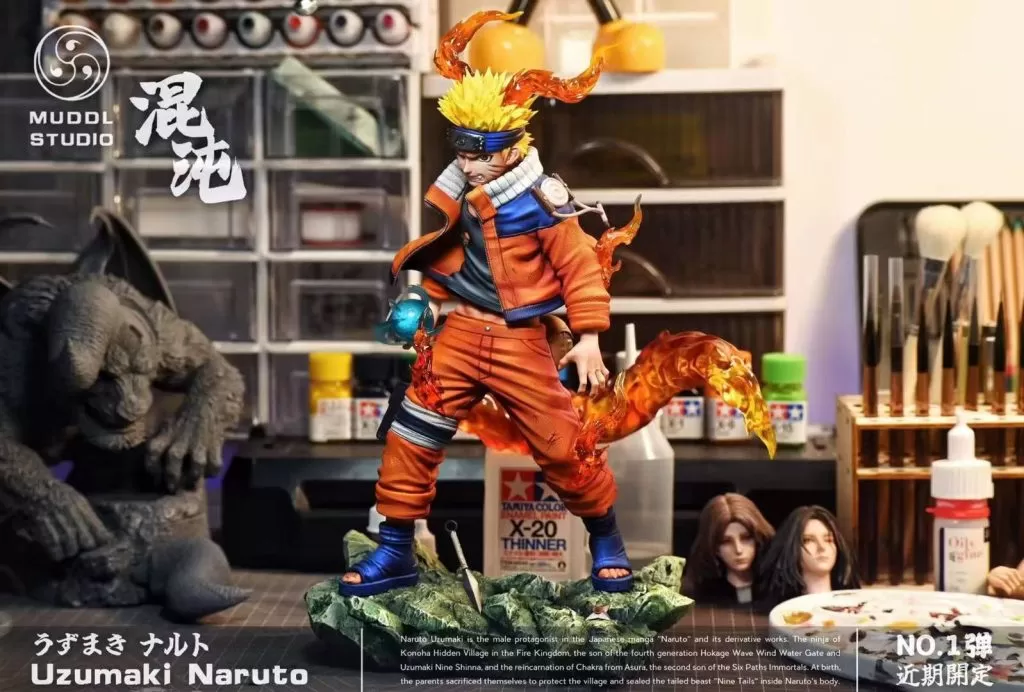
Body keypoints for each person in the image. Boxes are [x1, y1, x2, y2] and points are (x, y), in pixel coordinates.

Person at [338, 10, 633, 597]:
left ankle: (607, 541)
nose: (468, 164)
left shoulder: (543, 200)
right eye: (463, 151)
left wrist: (589, 337)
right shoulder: (462, 190)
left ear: (513, 147)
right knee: (411, 433)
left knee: (563, 446)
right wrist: (424, 300)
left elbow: (579, 267)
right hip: (458, 337)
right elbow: (451, 254)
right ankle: (395, 547)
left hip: (518, 341)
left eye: (481, 153)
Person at [757, 505, 860, 608]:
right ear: (792, 548)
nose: (822, 547)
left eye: (828, 540)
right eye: (808, 540)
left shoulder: (857, 606)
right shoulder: (782, 613)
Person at [684, 493, 775, 605]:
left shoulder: (777, 591)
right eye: (726, 541)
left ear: (758, 539)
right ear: (714, 547)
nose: (738, 550)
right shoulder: (698, 596)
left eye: (746, 538)